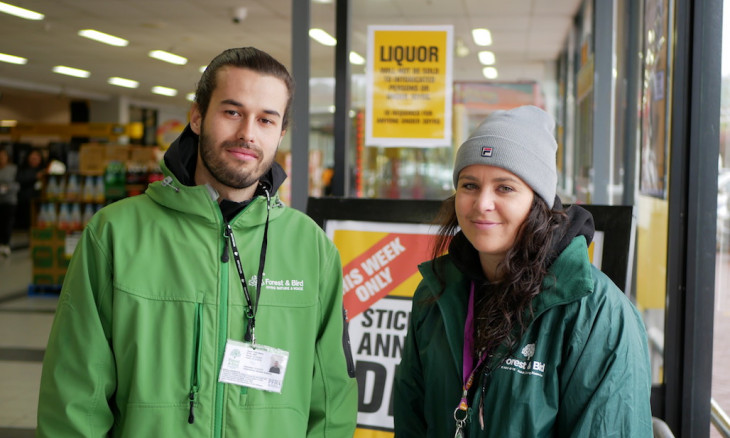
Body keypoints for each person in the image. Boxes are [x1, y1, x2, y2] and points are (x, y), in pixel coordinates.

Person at [37, 47, 358, 437]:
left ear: (280, 133)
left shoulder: (311, 249)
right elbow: (75, 397)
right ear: (197, 116)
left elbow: (332, 400)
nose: (247, 133)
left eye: (266, 120)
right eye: (232, 112)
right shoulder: (115, 235)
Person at [393, 105, 653, 437]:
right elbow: (411, 419)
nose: (482, 203)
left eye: (505, 188)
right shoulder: (435, 293)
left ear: (538, 203)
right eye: (470, 185)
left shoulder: (597, 315)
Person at [15, 148, 45, 230]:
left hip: (41, 201)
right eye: (32, 158)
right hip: (25, 201)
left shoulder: (44, 170)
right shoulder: (22, 169)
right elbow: (20, 179)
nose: (34, 160)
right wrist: (35, 176)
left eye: (36, 158)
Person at [0, 148, 19, 256]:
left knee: (7, 223)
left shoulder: (13, 169)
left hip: (9, 200)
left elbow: (17, 184)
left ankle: (6, 244)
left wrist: (7, 188)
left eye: (3, 156)